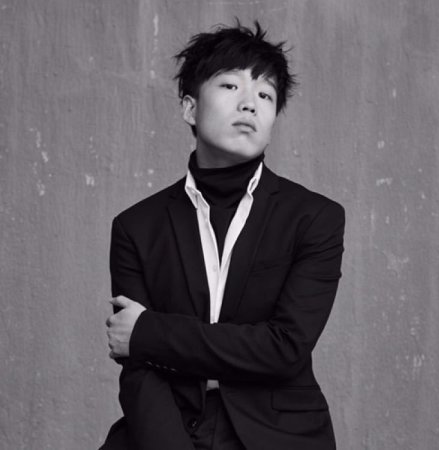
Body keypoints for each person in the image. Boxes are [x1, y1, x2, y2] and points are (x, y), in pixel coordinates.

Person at [102, 20, 345, 450]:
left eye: (265, 95)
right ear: (190, 109)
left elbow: (285, 348)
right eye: (231, 86)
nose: (250, 104)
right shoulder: (136, 226)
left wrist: (148, 333)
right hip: (167, 428)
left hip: (277, 433)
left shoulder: (315, 218)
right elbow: (139, 372)